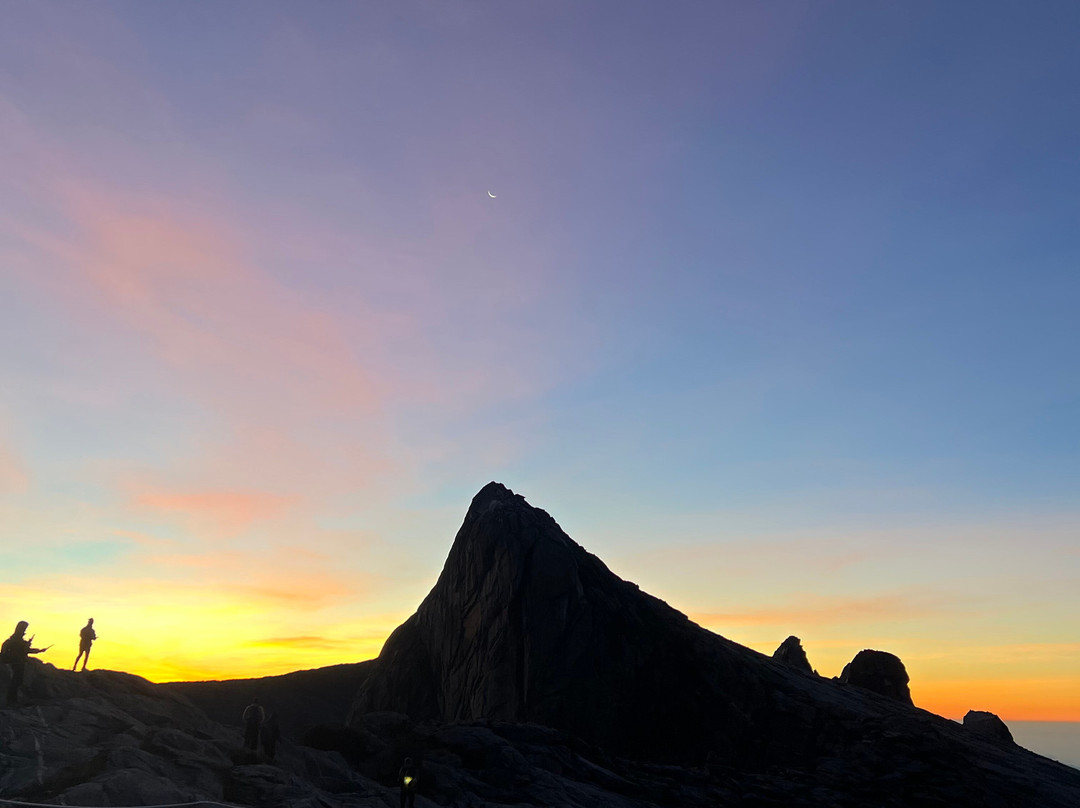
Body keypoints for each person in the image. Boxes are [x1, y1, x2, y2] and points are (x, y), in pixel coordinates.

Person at [1, 621, 48, 705]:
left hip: (17, 662)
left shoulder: (15, 639)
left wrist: (36, 649)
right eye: (24, 628)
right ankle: (11, 700)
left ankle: (12, 699)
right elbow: (24, 650)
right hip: (16, 662)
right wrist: (36, 650)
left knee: (17, 681)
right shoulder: (17, 639)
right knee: (16, 681)